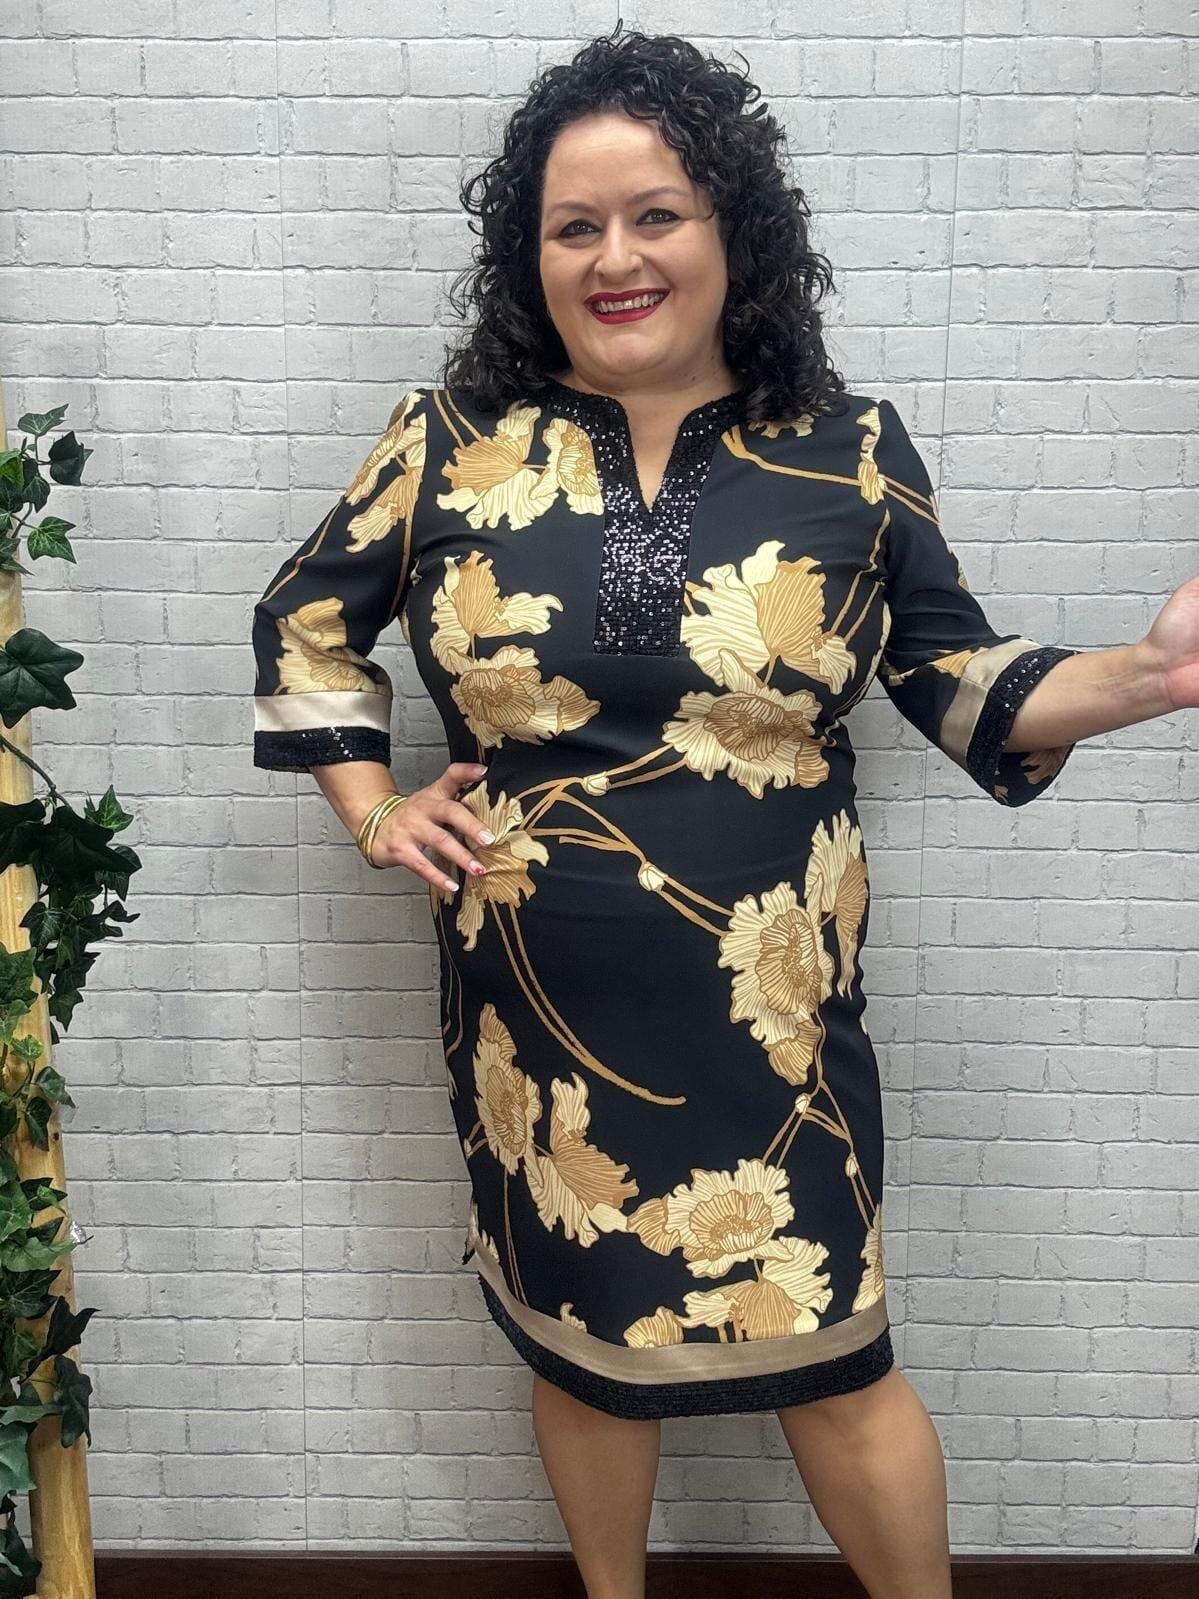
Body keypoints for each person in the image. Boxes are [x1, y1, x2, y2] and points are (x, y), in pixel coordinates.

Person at [249, 26, 1196, 1599]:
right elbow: (301, 624)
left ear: (730, 229)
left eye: (657, 215)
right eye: (575, 226)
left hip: (779, 1025)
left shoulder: (849, 453)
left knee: (837, 1358)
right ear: (532, 255)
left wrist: (1151, 678)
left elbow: (959, 684)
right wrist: (373, 809)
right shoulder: (447, 445)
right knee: (586, 1347)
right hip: (537, 1024)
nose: (616, 258)